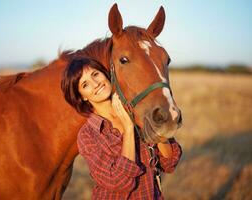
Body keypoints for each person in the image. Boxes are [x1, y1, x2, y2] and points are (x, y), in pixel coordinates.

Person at [61, 57, 182, 199]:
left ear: (105, 74)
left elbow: (170, 162)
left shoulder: (136, 110)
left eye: (95, 74)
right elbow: (118, 182)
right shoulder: (87, 135)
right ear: (82, 97)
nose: (95, 84)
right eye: (85, 84)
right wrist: (128, 129)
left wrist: (157, 128)